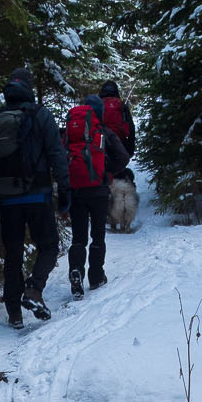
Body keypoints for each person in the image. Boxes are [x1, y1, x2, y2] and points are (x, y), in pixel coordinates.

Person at [0, 67, 70, 327]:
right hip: (37, 194)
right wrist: (64, 191)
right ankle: (34, 289)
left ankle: (14, 313)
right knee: (49, 246)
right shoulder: (41, 115)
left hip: (7, 200)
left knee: (13, 253)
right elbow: (57, 155)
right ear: (29, 89)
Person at [66, 92, 129, 298]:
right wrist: (107, 170)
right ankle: (95, 276)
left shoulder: (71, 132)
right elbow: (123, 157)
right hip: (99, 191)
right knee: (98, 235)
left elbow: (60, 157)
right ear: (100, 112)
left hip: (76, 191)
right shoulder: (104, 132)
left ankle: (76, 271)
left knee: (78, 237)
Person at [99, 81, 137, 158]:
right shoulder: (122, 105)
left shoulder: (97, 105)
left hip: (100, 142)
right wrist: (130, 148)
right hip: (119, 142)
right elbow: (131, 128)